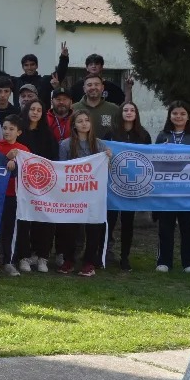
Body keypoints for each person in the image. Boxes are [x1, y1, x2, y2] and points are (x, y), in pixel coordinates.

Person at [153, 101, 190, 274]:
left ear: (188, 116)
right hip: (166, 191)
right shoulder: (162, 135)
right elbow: (154, 159)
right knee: (165, 228)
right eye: (175, 113)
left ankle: (189, 262)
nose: (178, 117)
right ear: (170, 116)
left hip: (189, 191)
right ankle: (164, 261)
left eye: (182, 114)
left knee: (187, 227)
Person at [57, 111, 112, 277]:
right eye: (79, 121)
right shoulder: (65, 145)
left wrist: (108, 158)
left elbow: (106, 170)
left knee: (94, 228)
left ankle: (89, 262)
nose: (84, 124)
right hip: (73, 194)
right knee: (70, 229)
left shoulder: (100, 145)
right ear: (74, 125)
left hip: (94, 194)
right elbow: (61, 168)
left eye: (87, 120)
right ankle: (69, 260)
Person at [103, 101, 152, 271]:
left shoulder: (143, 135)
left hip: (132, 185)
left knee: (128, 223)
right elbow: (102, 155)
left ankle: (125, 257)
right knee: (108, 221)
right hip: (113, 185)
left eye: (132, 110)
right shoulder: (110, 133)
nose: (129, 112)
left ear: (136, 113)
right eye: (126, 110)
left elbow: (149, 159)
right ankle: (104, 254)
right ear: (120, 113)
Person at [17, 100, 56, 273]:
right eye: (32, 109)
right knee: (24, 221)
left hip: (44, 186)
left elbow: (55, 161)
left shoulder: (48, 135)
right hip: (23, 186)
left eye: (39, 110)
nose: (35, 112)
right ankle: (24, 256)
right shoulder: (19, 133)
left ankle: (42, 256)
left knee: (44, 221)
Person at [0, 42, 69, 107]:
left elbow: (60, 74)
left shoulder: (45, 81)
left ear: (36, 66)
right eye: (26, 65)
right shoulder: (16, 82)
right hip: (21, 119)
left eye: (32, 64)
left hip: (41, 118)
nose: (29, 67)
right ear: (23, 67)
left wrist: (64, 58)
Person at [0, 116, 30, 276]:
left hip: (14, 195)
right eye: (5, 128)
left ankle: (8, 261)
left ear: (19, 132)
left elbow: (29, 172)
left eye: (11, 129)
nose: (7, 131)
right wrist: (5, 159)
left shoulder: (24, 150)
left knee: (10, 230)